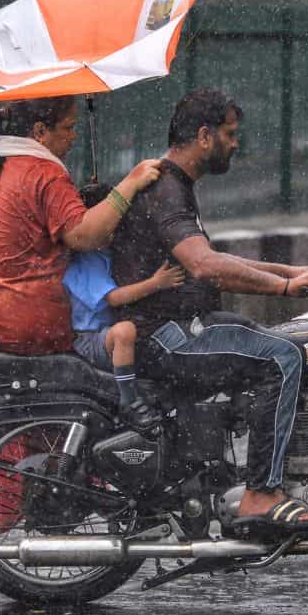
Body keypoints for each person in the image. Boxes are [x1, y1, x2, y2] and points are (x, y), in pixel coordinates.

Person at [110, 88, 308, 535]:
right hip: (164, 333)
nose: (236, 144)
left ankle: (228, 473)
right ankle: (261, 494)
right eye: (230, 135)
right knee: (284, 357)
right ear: (204, 136)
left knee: (264, 335)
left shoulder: (176, 185)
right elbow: (204, 265)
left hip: (179, 325)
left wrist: (292, 269)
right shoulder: (167, 189)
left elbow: (211, 258)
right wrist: (286, 287)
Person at [0, 97, 162, 391]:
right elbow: (85, 235)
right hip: (24, 323)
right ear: (39, 132)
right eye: (68, 127)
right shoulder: (43, 172)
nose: (74, 135)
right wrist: (131, 183)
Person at [64, 182, 187, 433]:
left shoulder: (108, 252)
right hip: (88, 340)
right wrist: (156, 283)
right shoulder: (87, 260)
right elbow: (114, 298)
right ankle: (128, 400)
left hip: (103, 337)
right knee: (125, 332)